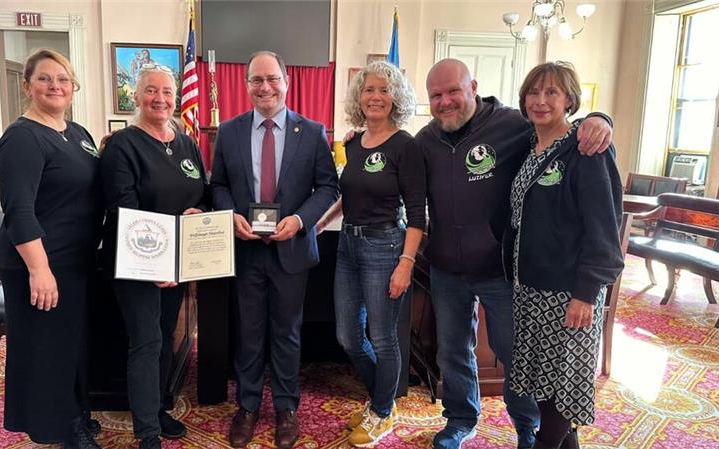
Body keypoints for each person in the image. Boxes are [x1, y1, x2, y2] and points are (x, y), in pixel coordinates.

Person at [414, 58, 614, 449]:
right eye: (436, 95)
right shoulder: (426, 139)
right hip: (446, 270)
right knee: (452, 352)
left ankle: (530, 426)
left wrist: (601, 118)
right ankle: (460, 419)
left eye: (453, 91)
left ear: (473, 87)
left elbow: (565, 131)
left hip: (501, 271)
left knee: (517, 354)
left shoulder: (512, 125)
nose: (445, 101)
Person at [210, 50, 339, 449]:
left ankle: (286, 408)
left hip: (291, 250)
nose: (264, 87)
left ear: (286, 82)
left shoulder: (313, 131)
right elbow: (218, 185)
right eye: (256, 80)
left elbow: (328, 188)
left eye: (272, 79)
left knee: (287, 333)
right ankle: (247, 407)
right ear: (246, 85)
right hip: (246, 249)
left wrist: (300, 221)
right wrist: (230, 214)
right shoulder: (228, 131)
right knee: (248, 332)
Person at [506, 61, 623, 449]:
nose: (540, 101)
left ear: (569, 99)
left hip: (569, 293)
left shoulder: (585, 149)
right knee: (545, 384)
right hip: (531, 289)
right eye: (533, 93)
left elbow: (604, 229)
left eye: (551, 93)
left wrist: (586, 292)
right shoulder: (531, 144)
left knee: (561, 389)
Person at [0, 48, 103, 449]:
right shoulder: (22, 137)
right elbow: (19, 209)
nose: (55, 85)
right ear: (28, 86)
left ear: (73, 87)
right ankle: (59, 429)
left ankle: (76, 414)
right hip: (39, 261)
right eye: (45, 78)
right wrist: (40, 269)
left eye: (63, 79)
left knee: (72, 342)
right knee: (47, 349)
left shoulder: (78, 134)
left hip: (75, 260)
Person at [100, 65, 210, 449]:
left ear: (176, 96)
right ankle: (147, 432)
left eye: (166, 91)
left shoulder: (184, 142)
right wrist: (156, 263)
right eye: (150, 91)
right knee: (146, 341)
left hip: (178, 261)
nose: (159, 99)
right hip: (138, 263)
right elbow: (122, 209)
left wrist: (199, 209)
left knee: (165, 338)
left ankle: (158, 406)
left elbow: (201, 190)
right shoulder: (122, 145)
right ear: (137, 96)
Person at [317, 61, 425, 447]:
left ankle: (382, 410)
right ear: (358, 98)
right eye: (368, 90)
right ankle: (383, 398)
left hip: (386, 247)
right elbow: (349, 196)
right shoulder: (353, 142)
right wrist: (318, 223)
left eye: (383, 89)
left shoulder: (405, 146)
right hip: (348, 244)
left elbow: (416, 214)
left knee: (382, 337)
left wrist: (406, 264)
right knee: (347, 335)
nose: (375, 96)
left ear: (395, 97)